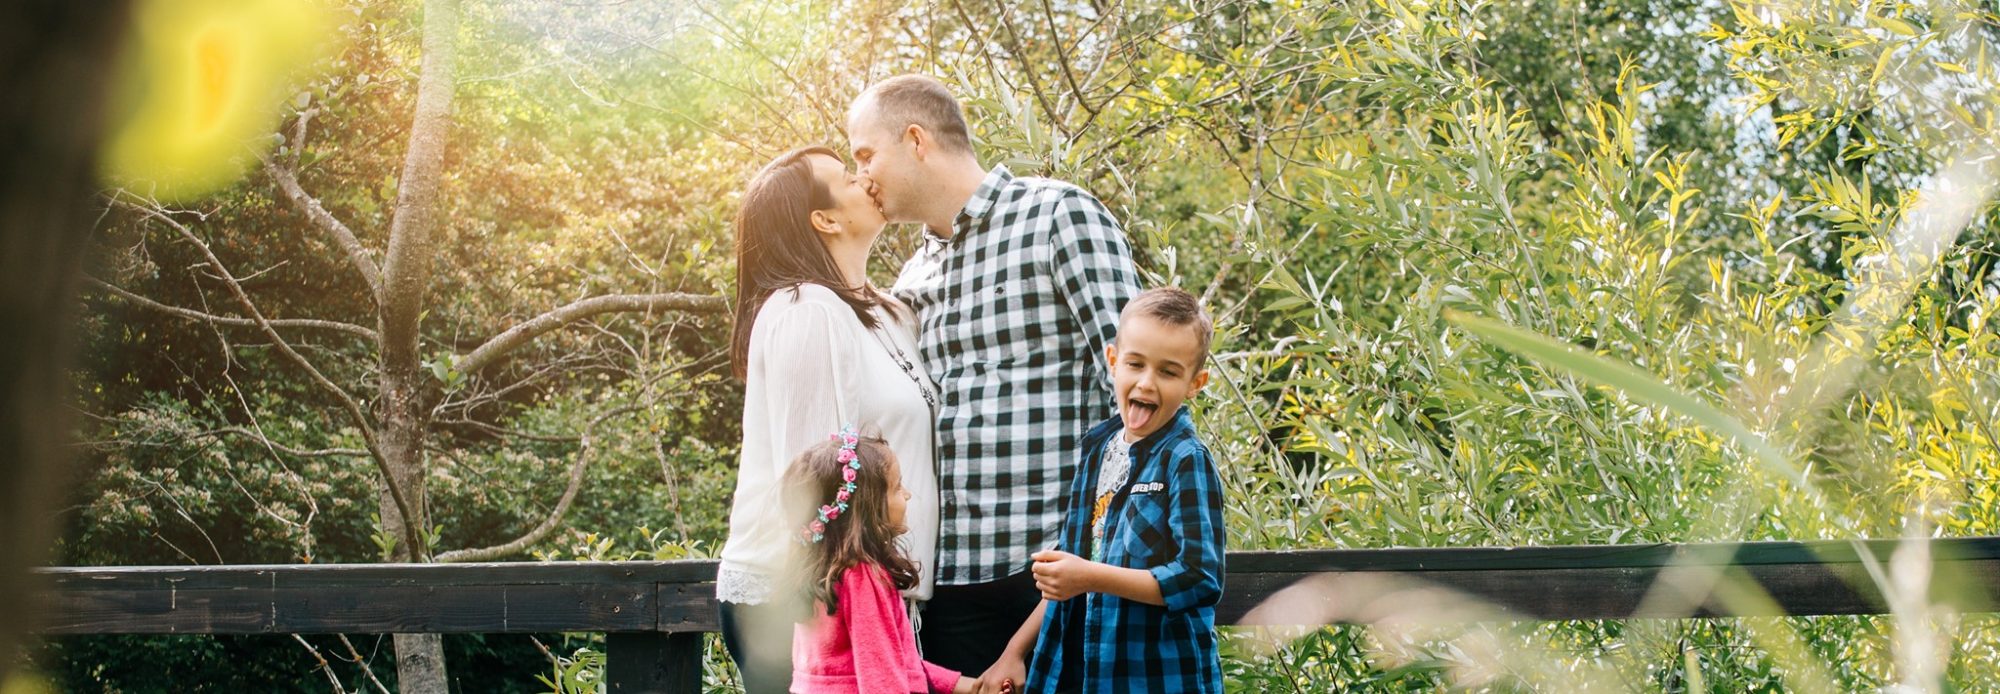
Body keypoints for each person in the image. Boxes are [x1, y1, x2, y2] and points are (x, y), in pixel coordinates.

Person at [847, 74, 1142, 675]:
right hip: (949, 581)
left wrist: (1109, 545)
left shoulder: (1058, 216)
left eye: (865, 154)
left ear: (915, 139)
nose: (860, 177)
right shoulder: (910, 277)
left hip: (1059, 571)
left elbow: (1138, 389)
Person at [718, 146, 942, 693]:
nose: (867, 176)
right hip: (811, 606)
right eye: (847, 175)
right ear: (824, 218)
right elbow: (817, 486)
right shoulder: (807, 312)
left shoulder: (885, 313)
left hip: (871, 597)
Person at [984, 287, 1227, 693]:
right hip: (1079, 671)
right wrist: (1014, 650)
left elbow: (1199, 577)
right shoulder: (1099, 449)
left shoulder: (1185, 459)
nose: (1147, 383)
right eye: (1136, 364)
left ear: (1194, 383)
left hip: (1152, 677)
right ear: (1114, 362)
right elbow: (1068, 571)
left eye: (1168, 372)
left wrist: (1091, 577)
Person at [784, 430, 977, 694]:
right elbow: (882, 678)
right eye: (897, 487)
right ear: (868, 508)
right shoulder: (863, 576)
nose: (907, 495)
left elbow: (898, 663)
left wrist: (968, 686)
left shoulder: (823, 570)